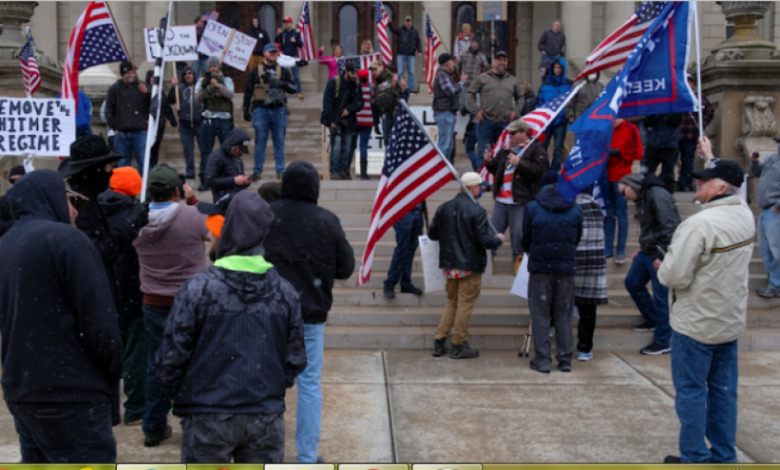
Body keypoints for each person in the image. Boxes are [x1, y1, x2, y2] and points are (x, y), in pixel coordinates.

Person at [156, 191, 307, 463]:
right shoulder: (285, 292)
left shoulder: (197, 289)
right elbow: (294, 360)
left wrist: (189, 397)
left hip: (207, 415)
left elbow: (171, 357)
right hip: (264, 416)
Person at [0, 170, 123, 463]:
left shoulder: (5, 244)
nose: (76, 210)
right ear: (51, 198)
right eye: (72, 201)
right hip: (72, 393)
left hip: (23, 391)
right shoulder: (67, 240)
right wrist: (111, 375)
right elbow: (101, 324)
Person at [657, 138, 755, 464]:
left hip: (696, 325)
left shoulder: (699, 224)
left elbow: (673, 277)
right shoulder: (744, 214)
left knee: (691, 393)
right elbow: (736, 187)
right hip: (728, 322)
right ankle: (724, 456)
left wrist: (662, 265)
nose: (697, 183)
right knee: (724, 394)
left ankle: (695, 458)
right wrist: (710, 156)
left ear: (721, 188)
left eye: (705, 180)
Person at [263, 161, 354, 463]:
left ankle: (268, 454)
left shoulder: (266, 215)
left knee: (267, 384)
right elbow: (346, 267)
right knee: (309, 386)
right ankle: (306, 458)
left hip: (268, 313)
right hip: (309, 315)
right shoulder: (326, 220)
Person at [133, 165, 210, 447]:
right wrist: (193, 200)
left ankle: (153, 425)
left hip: (153, 301)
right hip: (192, 301)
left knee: (157, 364)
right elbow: (217, 230)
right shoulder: (192, 215)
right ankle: (195, 425)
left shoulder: (135, 220)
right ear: (177, 190)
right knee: (196, 363)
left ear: (149, 191)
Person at [429, 172, 504, 359]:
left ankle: (439, 341)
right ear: (474, 188)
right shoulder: (477, 211)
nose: (482, 189)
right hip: (470, 265)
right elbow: (484, 241)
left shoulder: (444, 208)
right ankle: (458, 344)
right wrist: (498, 240)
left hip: (449, 264)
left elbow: (432, 234)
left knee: (452, 302)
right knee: (465, 305)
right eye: (481, 186)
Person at [96, 166, 148, 427]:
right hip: (132, 291)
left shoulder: (93, 213)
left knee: (106, 352)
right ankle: (135, 408)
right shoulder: (135, 217)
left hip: (103, 292)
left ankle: (104, 407)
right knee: (135, 353)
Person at [522, 171, 583, 373]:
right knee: (563, 315)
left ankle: (543, 358)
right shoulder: (575, 208)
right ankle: (565, 358)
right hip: (565, 268)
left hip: (540, 268)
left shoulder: (532, 207)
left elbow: (525, 239)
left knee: (540, 314)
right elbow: (577, 238)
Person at [619, 172, 680, 355]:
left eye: (623, 192)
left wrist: (663, 255)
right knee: (632, 283)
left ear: (631, 186)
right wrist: (642, 246)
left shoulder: (657, 194)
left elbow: (670, 226)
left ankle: (663, 341)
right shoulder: (643, 197)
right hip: (647, 251)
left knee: (662, 298)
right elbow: (650, 227)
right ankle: (653, 319)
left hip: (659, 254)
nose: (624, 197)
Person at [484, 118, 548, 274]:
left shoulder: (536, 149)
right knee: (493, 231)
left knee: (518, 234)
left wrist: (520, 163)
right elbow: (496, 168)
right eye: (510, 133)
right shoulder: (507, 148)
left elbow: (540, 171)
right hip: (501, 198)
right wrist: (489, 161)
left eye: (513, 133)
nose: (510, 136)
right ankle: (488, 259)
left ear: (524, 132)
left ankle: (518, 260)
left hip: (520, 199)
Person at [244, 43, 296, 181]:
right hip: (260, 109)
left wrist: (282, 84)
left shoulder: (283, 71)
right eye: (270, 52)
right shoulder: (255, 71)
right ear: (265, 53)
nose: (272, 54)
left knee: (279, 141)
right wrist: (245, 108)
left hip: (279, 110)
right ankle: (257, 171)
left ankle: (281, 171)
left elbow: (293, 88)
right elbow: (248, 90)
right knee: (260, 141)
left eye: (275, 52)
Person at [466, 51, 523, 171]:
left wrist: (515, 112)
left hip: (505, 123)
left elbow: (520, 97)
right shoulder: (483, 78)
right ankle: (483, 178)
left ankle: (499, 177)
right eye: (499, 60)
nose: (502, 62)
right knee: (484, 152)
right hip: (486, 122)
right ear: (494, 61)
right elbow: (470, 93)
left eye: (504, 60)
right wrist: (476, 111)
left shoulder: (512, 80)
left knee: (503, 152)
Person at [573, 189, 608, 362]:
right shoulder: (597, 208)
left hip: (575, 258)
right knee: (588, 307)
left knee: (563, 302)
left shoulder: (571, 207)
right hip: (595, 260)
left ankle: (555, 336)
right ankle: (585, 349)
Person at [605, 118, 644, 264]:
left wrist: (620, 153)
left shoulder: (631, 128)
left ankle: (620, 250)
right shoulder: (606, 128)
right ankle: (608, 249)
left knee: (621, 214)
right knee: (609, 215)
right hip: (606, 177)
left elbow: (639, 153)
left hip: (622, 178)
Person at [195, 56, 235, 191]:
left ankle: (227, 176)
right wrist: (205, 86)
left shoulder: (227, 80)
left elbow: (230, 95)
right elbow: (198, 98)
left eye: (215, 66)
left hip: (224, 119)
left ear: (219, 67)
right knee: (206, 151)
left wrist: (218, 86)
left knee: (226, 150)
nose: (213, 68)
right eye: (211, 66)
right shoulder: (202, 81)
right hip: (209, 119)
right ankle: (205, 178)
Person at [105, 61, 150, 170]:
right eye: (128, 73)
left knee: (144, 163)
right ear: (122, 74)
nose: (131, 75)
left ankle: (146, 182)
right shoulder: (114, 88)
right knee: (122, 165)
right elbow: (109, 110)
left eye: (133, 72)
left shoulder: (142, 86)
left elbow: (154, 104)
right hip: (121, 133)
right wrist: (114, 127)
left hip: (140, 132)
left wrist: (147, 93)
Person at [322, 62, 363, 180]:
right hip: (335, 119)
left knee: (347, 147)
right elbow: (327, 103)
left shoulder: (356, 85)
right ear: (346, 72)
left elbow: (360, 103)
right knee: (336, 145)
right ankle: (334, 171)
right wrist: (331, 121)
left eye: (356, 73)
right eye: (352, 73)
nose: (355, 75)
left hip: (349, 120)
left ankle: (343, 171)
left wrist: (349, 109)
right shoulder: (334, 83)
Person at [751, 135, 780, 298]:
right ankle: (773, 284)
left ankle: (776, 285)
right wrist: (754, 161)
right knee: (765, 249)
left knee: (777, 250)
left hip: (776, 211)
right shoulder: (771, 159)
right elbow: (756, 172)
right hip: (765, 209)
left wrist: (777, 207)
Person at [677, 75, 714, 192]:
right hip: (676, 134)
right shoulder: (676, 97)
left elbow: (710, 111)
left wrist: (702, 124)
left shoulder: (698, 97)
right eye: (686, 82)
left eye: (690, 82)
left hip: (691, 134)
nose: (688, 84)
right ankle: (669, 182)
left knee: (688, 160)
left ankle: (685, 184)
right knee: (670, 160)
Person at [383, 201, 425, 299]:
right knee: (403, 248)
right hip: (402, 209)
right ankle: (390, 283)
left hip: (417, 209)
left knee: (411, 248)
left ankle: (405, 282)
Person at [169, 66, 205, 179]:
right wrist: (173, 87)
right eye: (185, 74)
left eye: (190, 73)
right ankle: (190, 171)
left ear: (194, 74)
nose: (187, 75)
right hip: (185, 125)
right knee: (188, 150)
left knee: (204, 149)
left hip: (200, 123)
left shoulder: (201, 88)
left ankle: (204, 171)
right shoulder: (179, 88)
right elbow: (171, 100)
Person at [538, 58, 572, 170]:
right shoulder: (545, 85)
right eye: (555, 67)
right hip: (547, 121)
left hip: (560, 121)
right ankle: (545, 169)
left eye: (559, 68)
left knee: (558, 148)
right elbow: (540, 102)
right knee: (543, 147)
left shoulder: (568, 85)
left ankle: (554, 171)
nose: (557, 70)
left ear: (563, 69)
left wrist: (565, 115)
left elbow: (570, 103)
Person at [433, 53, 467, 163]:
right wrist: (461, 82)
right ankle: (440, 168)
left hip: (448, 113)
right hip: (444, 113)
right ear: (448, 63)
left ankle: (445, 168)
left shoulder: (447, 75)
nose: (454, 64)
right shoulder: (442, 75)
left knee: (449, 146)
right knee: (444, 146)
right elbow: (451, 91)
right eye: (452, 61)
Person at [206, 128, 252, 201]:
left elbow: (237, 182)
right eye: (240, 149)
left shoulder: (237, 159)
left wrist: (245, 182)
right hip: (223, 201)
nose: (241, 152)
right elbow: (209, 181)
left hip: (237, 200)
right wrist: (234, 180)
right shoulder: (216, 157)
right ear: (234, 145)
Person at [643, 112, 683, 194]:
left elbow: (676, 121)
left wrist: (663, 113)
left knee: (668, 174)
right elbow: (646, 123)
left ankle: (668, 196)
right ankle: (645, 194)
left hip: (669, 145)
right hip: (653, 144)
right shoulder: (653, 107)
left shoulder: (674, 107)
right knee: (647, 172)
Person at [145, 70, 177, 168]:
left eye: (155, 77)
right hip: (147, 125)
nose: (153, 79)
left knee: (155, 148)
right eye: (151, 77)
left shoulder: (160, 92)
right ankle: (147, 168)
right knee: (148, 148)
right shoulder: (145, 91)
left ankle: (153, 167)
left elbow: (166, 105)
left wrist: (172, 120)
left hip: (159, 125)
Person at [370, 60, 402, 146]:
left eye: (375, 69)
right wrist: (376, 123)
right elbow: (373, 104)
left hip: (397, 114)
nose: (373, 72)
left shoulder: (394, 78)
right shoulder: (375, 86)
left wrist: (399, 107)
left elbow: (405, 91)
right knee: (387, 141)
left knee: (397, 140)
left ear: (381, 67)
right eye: (372, 70)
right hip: (385, 115)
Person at [388, 15, 422, 93]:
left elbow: (418, 42)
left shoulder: (415, 32)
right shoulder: (400, 30)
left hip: (411, 54)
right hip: (401, 54)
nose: (408, 23)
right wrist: (389, 23)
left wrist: (419, 51)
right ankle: (400, 86)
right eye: (407, 21)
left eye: (409, 21)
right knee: (400, 71)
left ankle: (412, 87)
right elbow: (393, 29)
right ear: (405, 22)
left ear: (411, 22)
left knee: (411, 71)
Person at [276, 17, 304, 99]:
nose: (286, 24)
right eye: (285, 22)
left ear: (291, 23)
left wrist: (295, 42)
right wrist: (277, 35)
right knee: (283, 75)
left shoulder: (295, 33)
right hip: (284, 57)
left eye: (288, 22)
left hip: (293, 56)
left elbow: (301, 44)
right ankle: (284, 91)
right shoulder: (282, 34)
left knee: (296, 76)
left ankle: (299, 92)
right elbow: (276, 43)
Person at [356, 69, 374, 180]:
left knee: (352, 145)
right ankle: (363, 172)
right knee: (363, 146)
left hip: (356, 119)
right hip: (368, 120)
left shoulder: (356, 88)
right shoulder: (371, 88)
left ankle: (346, 170)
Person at [0, 165, 25, 237]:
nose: (15, 184)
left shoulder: (34, 201)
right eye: (12, 181)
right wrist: (15, 224)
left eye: (19, 180)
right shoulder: (3, 201)